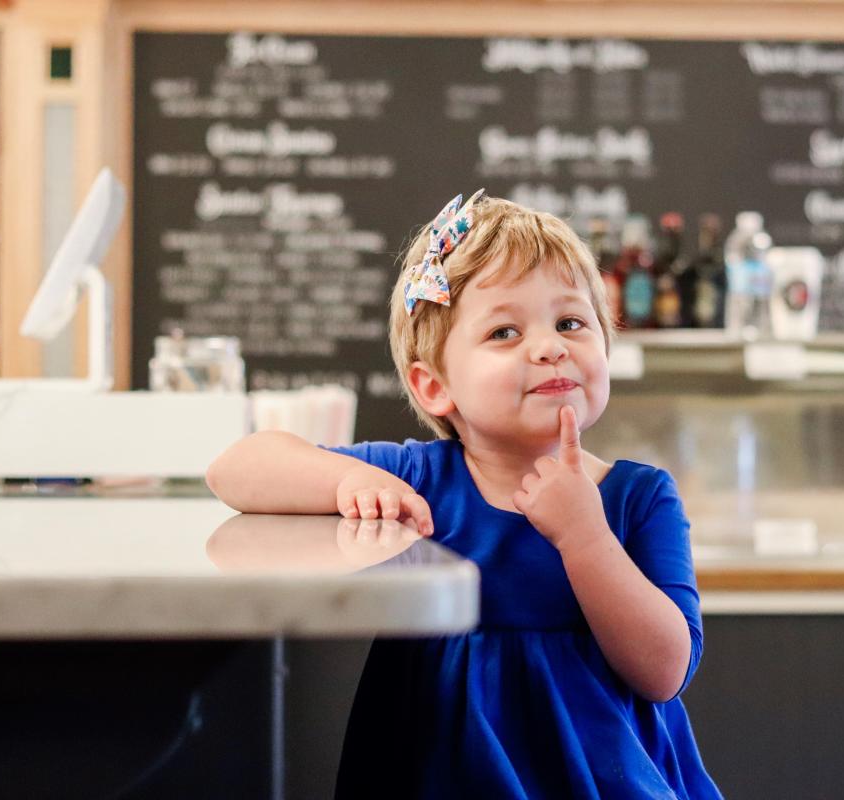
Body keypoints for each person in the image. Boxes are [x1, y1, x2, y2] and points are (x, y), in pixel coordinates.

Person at [206, 191, 724, 799]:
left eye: (571, 322)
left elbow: (664, 671)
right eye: (505, 331)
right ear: (434, 387)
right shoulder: (419, 478)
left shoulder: (640, 497)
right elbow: (236, 468)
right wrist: (349, 479)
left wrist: (586, 536)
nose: (550, 346)